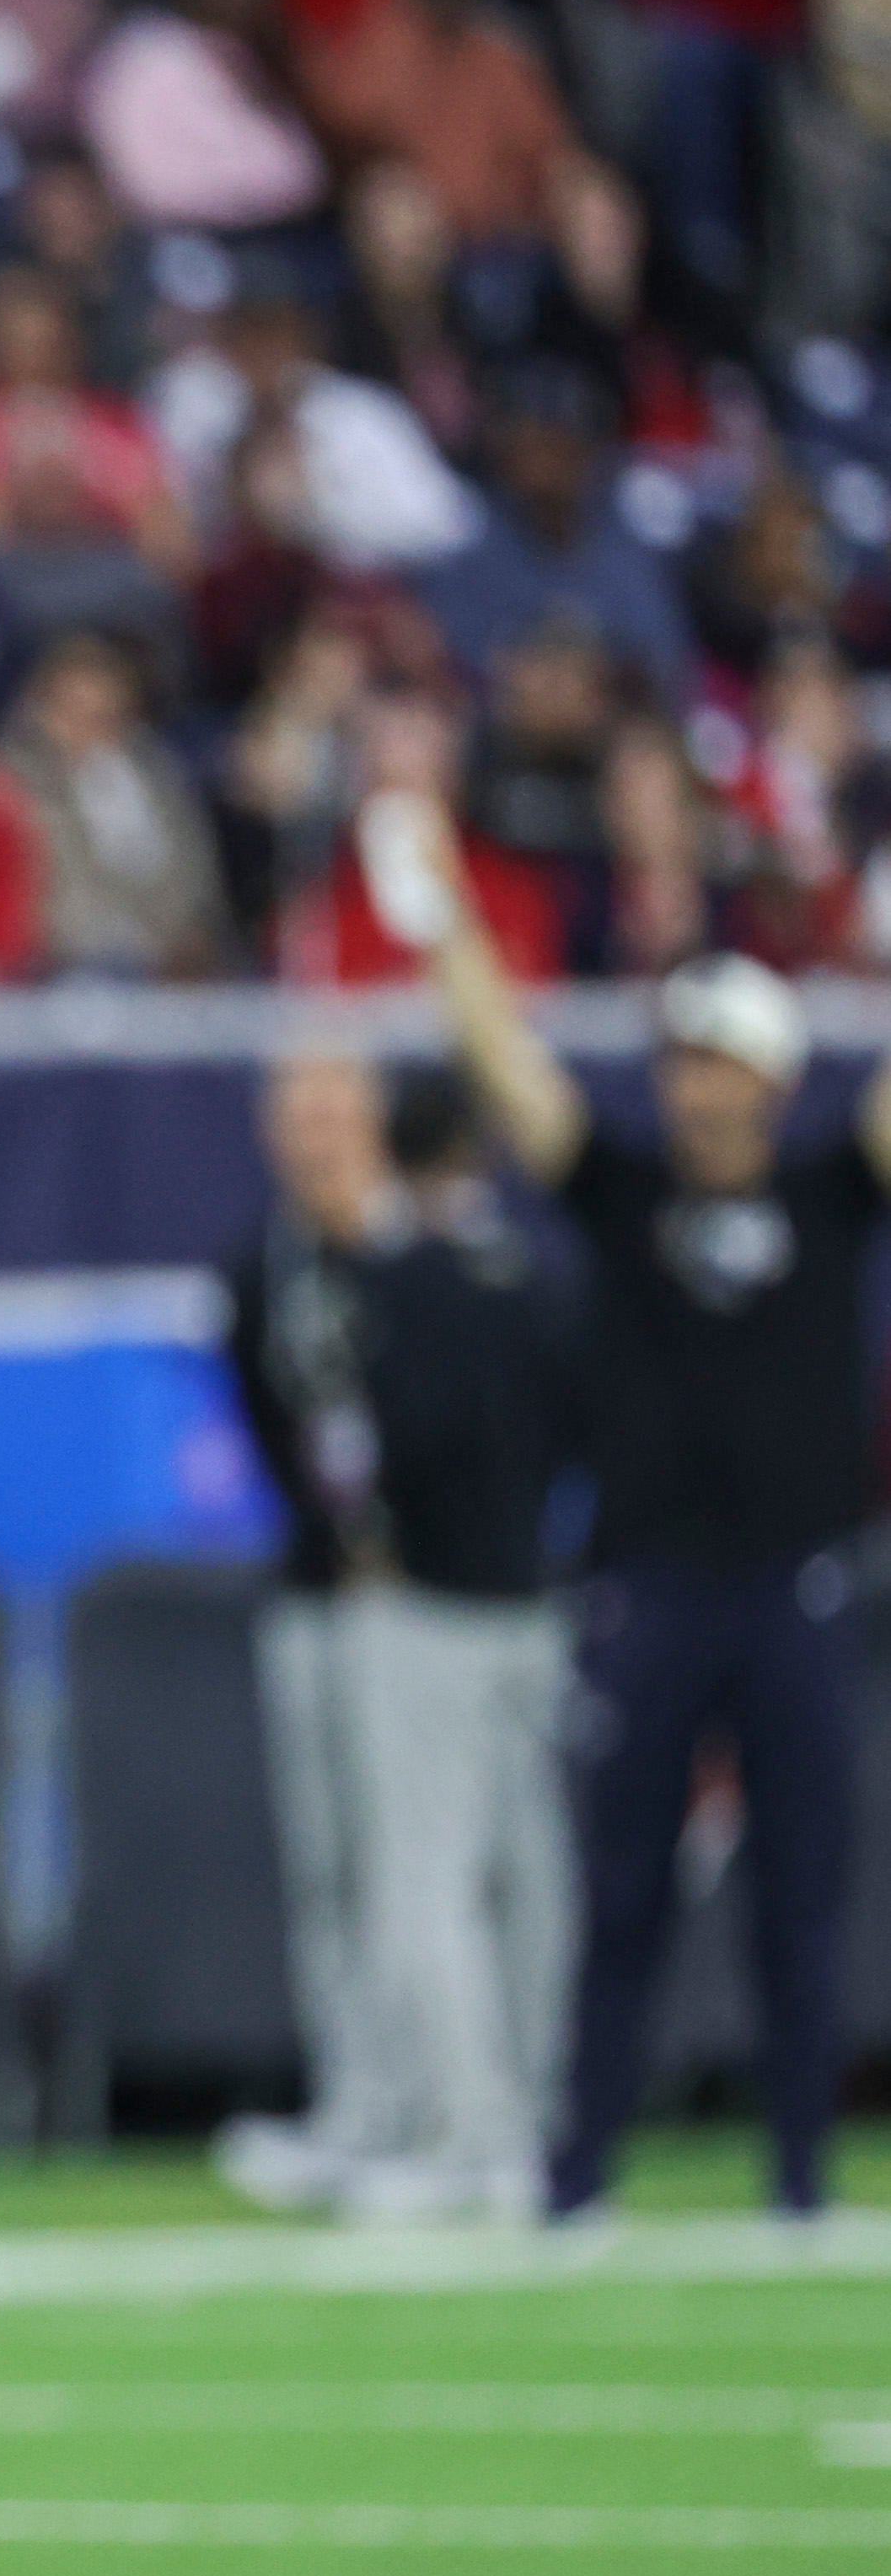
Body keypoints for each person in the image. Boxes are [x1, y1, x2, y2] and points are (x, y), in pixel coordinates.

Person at [405, 798, 886, 2219]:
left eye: (722, 1062)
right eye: (681, 1061)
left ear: (776, 1078)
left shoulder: (836, 1196)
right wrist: (443, 913)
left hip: (798, 1582)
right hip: (652, 1583)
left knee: (800, 1901)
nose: (697, 1088)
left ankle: (799, 2179)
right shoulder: (619, 1196)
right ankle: (582, 2172)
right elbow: (507, 1064)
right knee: (620, 1895)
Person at [332, 1066, 575, 2224]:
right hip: (536, 1595)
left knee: (427, 1878)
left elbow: (389, 1438)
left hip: (433, 1601)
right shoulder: (538, 1271)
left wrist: (376, 1532)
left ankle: (474, 2126)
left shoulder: (400, 1281)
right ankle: (537, 2106)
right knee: (532, 1867)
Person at [215, 1049, 398, 2215]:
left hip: (427, 1597)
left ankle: (463, 2102)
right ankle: (358, 2102)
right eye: (298, 1117)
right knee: (332, 1865)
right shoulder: (259, 1270)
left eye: (337, 1111)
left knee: (423, 1871)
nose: (317, 1137)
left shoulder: (421, 1255)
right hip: (315, 1590)